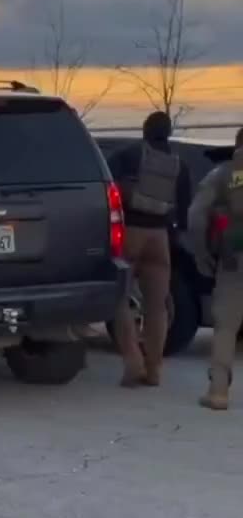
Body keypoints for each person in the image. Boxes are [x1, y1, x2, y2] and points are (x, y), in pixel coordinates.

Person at [108, 111, 192, 387]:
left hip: (130, 233)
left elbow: (106, 187)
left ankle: (133, 361)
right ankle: (154, 370)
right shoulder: (179, 164)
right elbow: (185, 208)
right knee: (158, 306)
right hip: (160, 237)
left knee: (120, 299)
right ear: (168, 132)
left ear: (144, 130)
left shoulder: (128, 155)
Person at [188, 127, 243, 411]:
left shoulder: (222, 175)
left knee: (226, 326)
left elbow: (197, 217)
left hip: (234, 258)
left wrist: (202, 255)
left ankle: (218, 392)